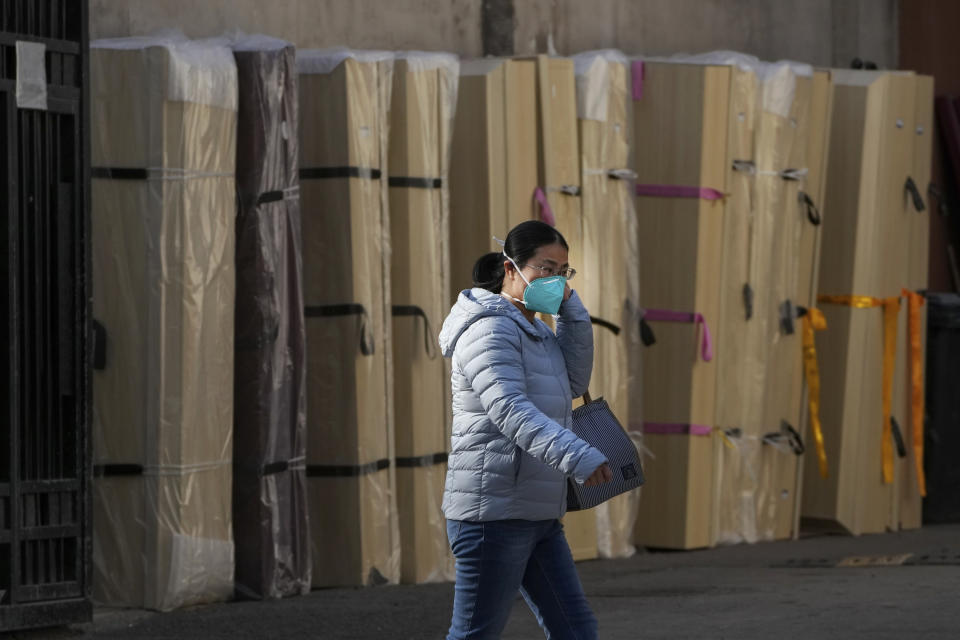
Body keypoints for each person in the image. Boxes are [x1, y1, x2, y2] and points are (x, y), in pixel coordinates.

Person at [438, 220, 613, 639]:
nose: (554, 280)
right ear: (510, 268)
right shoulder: (488, 329)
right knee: (475, 633)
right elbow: (509, 409)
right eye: (544, 268)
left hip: (536, 512)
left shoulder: (535, 329)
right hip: (492, 513)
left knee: (576, 630)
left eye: (563, 271)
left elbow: (571, 384)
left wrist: (572, 312)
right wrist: (578, 455)